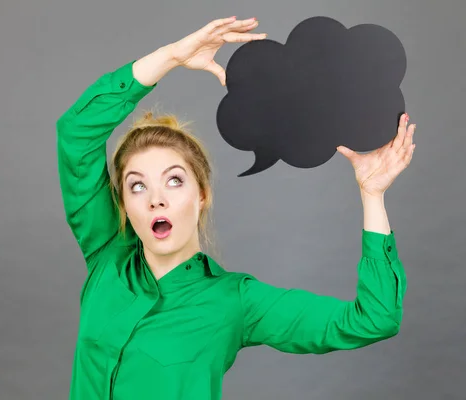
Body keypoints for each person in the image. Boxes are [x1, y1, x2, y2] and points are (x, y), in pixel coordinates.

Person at [56, 15, 415, 400]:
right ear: (124, 204)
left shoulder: (235, 302)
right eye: (137, 186)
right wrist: (172, 56)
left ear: (202, 194)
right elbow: (76, 133)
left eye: (174, 180)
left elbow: (374, 319)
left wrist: (372, 195)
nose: (155, 197)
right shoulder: (107, 258)